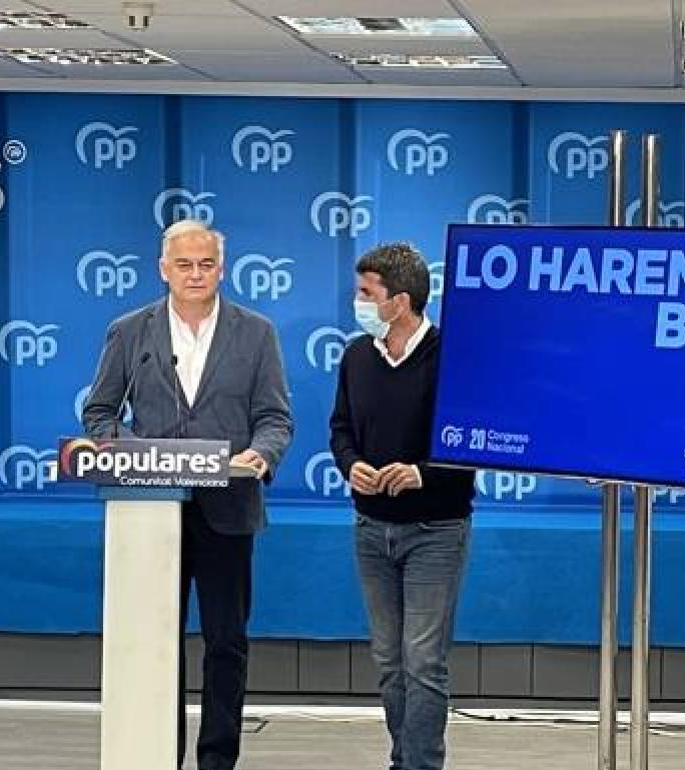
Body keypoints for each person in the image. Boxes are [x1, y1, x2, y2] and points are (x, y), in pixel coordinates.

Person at [82, 219, 294, 770]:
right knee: (156, 647)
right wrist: (132, 452)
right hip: (150, 515)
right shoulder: (131, 331)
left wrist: (261, 455)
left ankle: (217, 759)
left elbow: (274, 418)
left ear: (221, 269)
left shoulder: (257, 332)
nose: (195, 274)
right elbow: (100, 414)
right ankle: (156, 754)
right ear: (163, 269)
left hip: (228, 511)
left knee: (226, 644)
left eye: (205, 264)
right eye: (184, 264)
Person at [329, 242, 476, 770]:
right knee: (389, 662)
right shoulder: (356, 356)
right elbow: (340, 429)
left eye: (367, 292)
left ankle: (420, 765)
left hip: (436, 530)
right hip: (371, 530)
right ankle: (403, 758)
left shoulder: (454, 357)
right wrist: (352, 466)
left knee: (422, 662)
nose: (358, 300)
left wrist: (420, 473)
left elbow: (473, 443)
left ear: (401, 300)